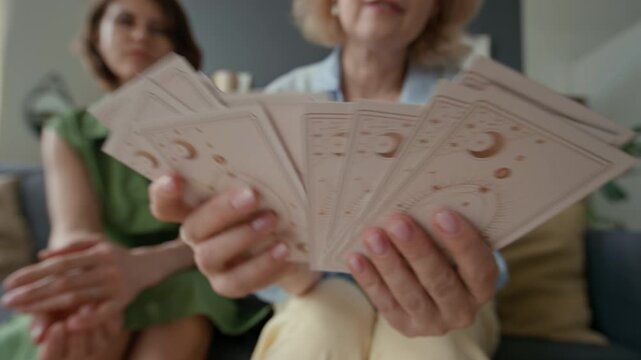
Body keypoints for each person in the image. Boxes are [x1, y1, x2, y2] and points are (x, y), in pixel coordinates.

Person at [148, 0, 506, 359]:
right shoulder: (277, 100)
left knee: (432, 345)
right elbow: (264, 249)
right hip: (315, 287)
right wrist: (285, 271)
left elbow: (495, 244)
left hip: (439, 294)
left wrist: (466, 277)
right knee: (317, 331)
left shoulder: (473, 107)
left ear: (435, 9)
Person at [0, 0, 269, 359]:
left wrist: (143, 267)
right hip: (107, 277)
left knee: (185, 307)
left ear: (176, 47)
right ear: (97, 35)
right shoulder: (67, 130)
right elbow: (76, 231)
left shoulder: (207, 128)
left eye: (159, 28)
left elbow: (232, 227)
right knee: (89, 324)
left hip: (188, 271)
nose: (141, 35)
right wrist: (82, 289)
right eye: (126, 21)